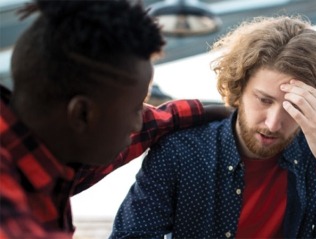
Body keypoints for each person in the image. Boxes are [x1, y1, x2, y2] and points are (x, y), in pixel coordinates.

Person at [110, 15, 316, 239]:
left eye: (293, 107)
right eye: (264, 100)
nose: (273, 123)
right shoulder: (181, 151)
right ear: (239, 89)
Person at [0, 0, 231, 238]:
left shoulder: (47, 152)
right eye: (135, 109)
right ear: (81, 114)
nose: (137, 124)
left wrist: (201, 112)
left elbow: (147, 126)